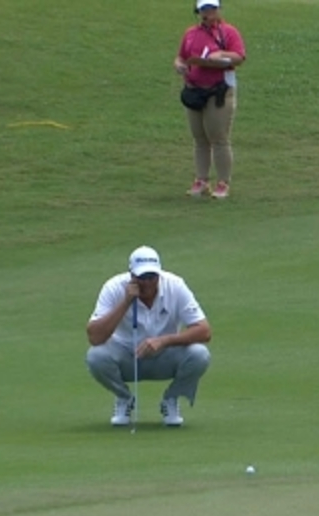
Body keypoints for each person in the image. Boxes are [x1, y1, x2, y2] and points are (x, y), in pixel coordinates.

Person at [86, 246, 212, 427]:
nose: (147, 283)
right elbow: (95, 337)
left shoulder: (175, 285)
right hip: (126, 357)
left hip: (165, 356)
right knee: (95, 356)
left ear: (159, 275)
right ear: (131, 276)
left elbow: (204, 330)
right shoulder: (113, 287)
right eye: (141, 278)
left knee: (200, 354)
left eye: (151, 277)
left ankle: (171, 399)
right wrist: (126, 301)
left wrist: (164, 340)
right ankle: (124, 399)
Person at [174, 0, 246, 200]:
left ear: (218, 10)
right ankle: (201, 180)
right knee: (200, 138)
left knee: (219, 138)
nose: (207, 13)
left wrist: (221, 54)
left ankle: (223, 182)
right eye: (204, 10)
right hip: (195, 90)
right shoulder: (190, 34)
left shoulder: (228, 32)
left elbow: (239, 57)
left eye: (211, 9)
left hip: (219, 91)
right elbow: (180, 57)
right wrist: (179, 65)